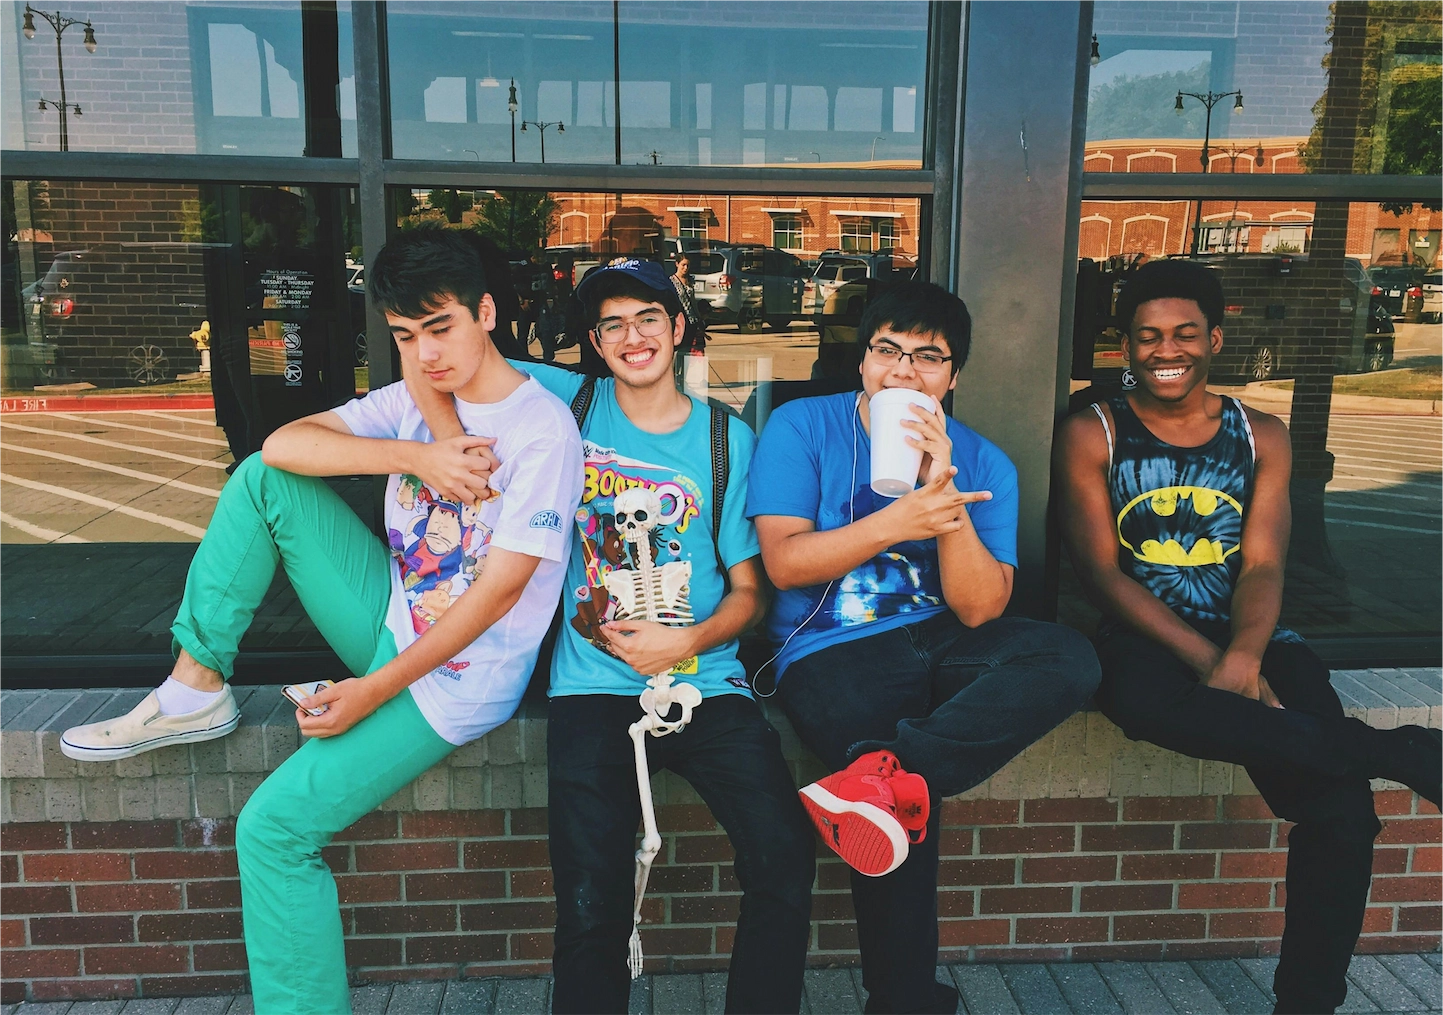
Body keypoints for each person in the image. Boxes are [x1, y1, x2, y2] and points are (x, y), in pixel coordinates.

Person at [60, 227, 584, 1015]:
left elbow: (499, 597)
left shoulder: (541, 432)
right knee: (260, 477)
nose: (426, 352)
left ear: (485, 312)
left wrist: (371, 689)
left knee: (272, 832)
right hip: (389, 611)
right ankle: (194, 684)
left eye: (440, 328)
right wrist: (420, 456)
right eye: (406, 335)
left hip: (453, 677)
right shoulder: (416, 400)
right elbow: (282, 443)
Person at [409, 256, 814, 1015]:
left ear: (679, 328)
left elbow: (751, 592)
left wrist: (685, 639)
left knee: (782, 854)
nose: (633, 336)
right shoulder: (566, 402)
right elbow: (446, 364)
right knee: (590, 901)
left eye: (648, 318)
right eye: (613, 324)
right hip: (591, 689)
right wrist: (440, 446)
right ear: (594, 342)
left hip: (704, 682)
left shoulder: (727, 441)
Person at [1054, 259, 1443, 1015]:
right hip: (1140, 631)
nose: (1166, 350)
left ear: (1215, 338)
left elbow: (1264, 562)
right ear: (1126, 347)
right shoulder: (1091, 431)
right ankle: (1397, 751)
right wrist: (1210, 660)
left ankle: (1306, 1004)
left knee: (1341, 812)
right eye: (1147, 337)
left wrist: (1243, 652)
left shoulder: (1259, 434)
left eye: (1184, 333)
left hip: (1255, 628)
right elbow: (1104, 574)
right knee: (1141, 700)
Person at [746, 279, 1099, 1015]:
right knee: (896, 777)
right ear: (863, 360)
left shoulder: (983, 462)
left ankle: (883, 781)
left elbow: (980, 609)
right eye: (887, 351)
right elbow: (784, 564)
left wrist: (945, 505)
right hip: (822, 645)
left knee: (1067, 658)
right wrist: (894, 519)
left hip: (938, 635)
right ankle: (904, 995)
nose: (904, 372)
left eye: (927, 358)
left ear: (952, 375)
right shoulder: (800, 427)